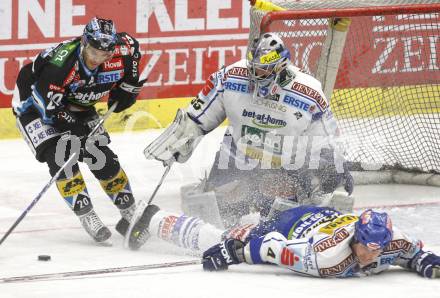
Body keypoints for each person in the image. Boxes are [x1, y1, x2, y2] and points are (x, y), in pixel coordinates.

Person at [143, 32, 353, 227]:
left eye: (263, 70)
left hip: (283, 168)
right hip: (235, 160)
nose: (255, 74)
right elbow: (197, 116)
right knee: (215, 219)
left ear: (281, 67)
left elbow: (326, 139)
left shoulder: (308, 92)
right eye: (253, 67)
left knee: (279, 225)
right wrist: (180, 139)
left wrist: (335, 163)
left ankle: (288, 205)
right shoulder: (230, 77)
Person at [11, 17, 145, 243]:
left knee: (99, 154)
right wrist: (77, 129)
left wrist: (127, 90)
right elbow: (51, 111)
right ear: (84, 42)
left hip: (75, 100)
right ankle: (86, 213)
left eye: (104, 54)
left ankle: (129, 209)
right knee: (60, 155)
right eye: (93, 51)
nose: (97, 59)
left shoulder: (124, 49)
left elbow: (133, 49)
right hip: (35, 106)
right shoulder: (59, 66)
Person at [122, 203, 440, 278]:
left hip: (324, 215)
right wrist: (233, 250)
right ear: (356, 238)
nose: (372, 255)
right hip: (291, 226)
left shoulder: (392, 241)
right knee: (220, 237)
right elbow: (270, 248)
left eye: (378, 249)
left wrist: (425, 262)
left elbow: (414, 256)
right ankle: (154, 217)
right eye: (366, 247)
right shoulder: (325, 257)